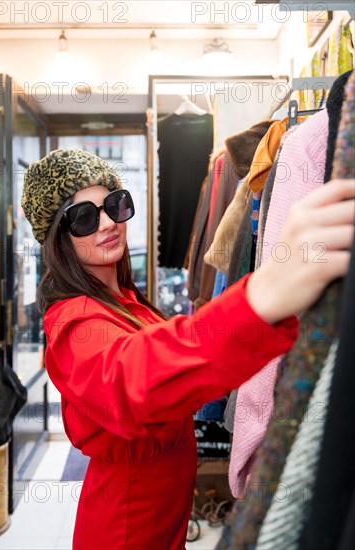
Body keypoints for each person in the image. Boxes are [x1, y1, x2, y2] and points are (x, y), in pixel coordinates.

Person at [21, 149, 354, 550]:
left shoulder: (124, 298)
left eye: (114, 204)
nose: (108, 223)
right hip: (128, 524)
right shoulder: (74, 321)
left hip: (164, 512)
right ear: (59, 237)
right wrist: (261, 298)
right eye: (85, 218)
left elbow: (181, 356)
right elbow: (131, 377)